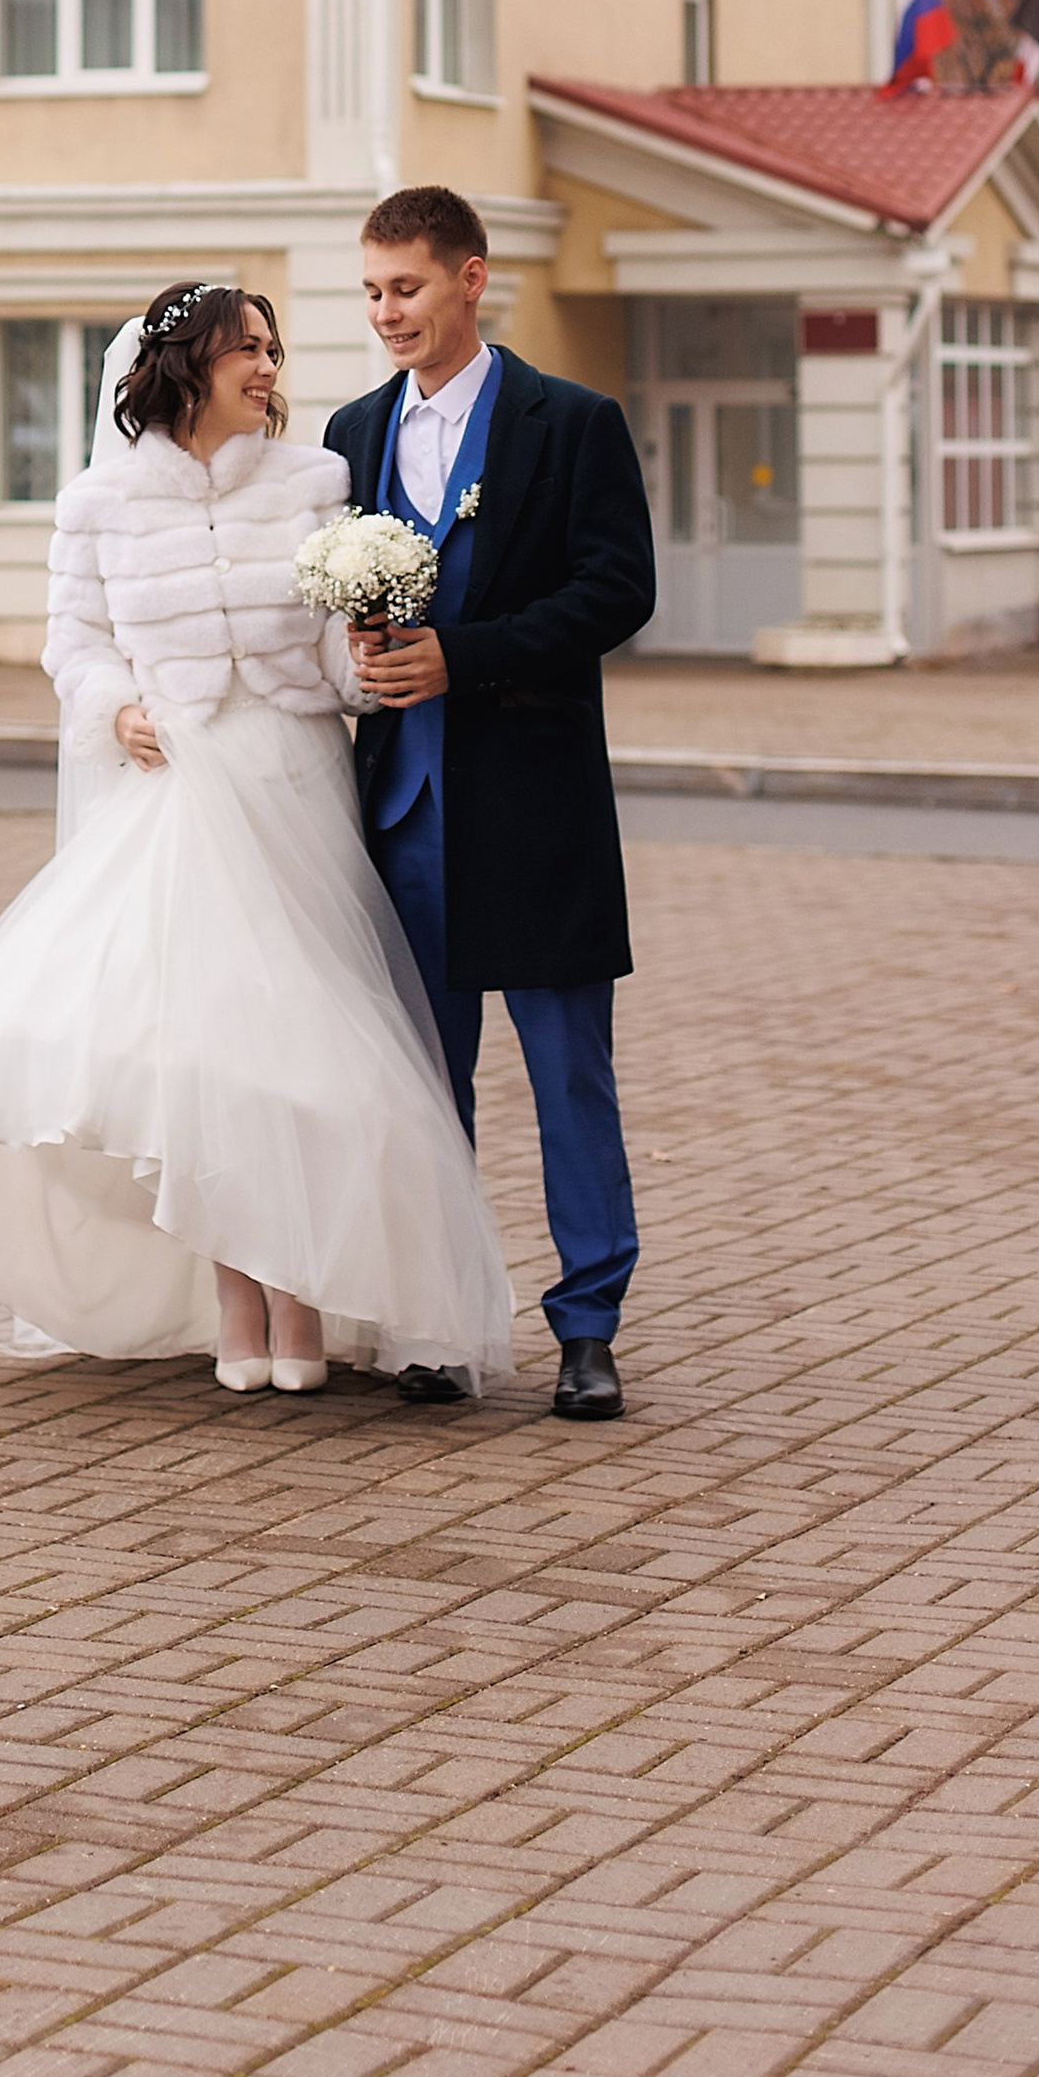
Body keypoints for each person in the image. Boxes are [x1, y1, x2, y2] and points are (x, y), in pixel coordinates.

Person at [0, 282, 515, 1395]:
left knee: (301, 1062)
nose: (267, 368)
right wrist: (118, 711)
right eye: (245, 350)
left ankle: (301, 1292)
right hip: (174, 796)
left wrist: (372, 643)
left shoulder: (318, 484)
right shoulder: (97, 504)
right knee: (201, 1058)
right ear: (185, 364)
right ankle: (237, 1302)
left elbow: (334, 670)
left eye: (271, 350)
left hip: (295, 790)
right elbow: (74, 643)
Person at [326, 186, 656, 1423]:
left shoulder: (571, 423)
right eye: (369, 291)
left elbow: (617, 591)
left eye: (404, 288)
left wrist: (466, 656)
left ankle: (588, 1327)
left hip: (535, 808)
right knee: (424, 1084)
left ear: (470, 278)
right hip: (400, 813)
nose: (384, 313)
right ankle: (443, 1322)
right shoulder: (350, 434)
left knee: (569, 1075)